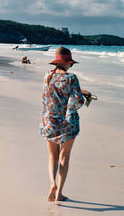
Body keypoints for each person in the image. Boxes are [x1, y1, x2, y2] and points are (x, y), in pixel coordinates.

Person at [40, 46, 91, 202]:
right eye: (71, 63)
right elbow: (76, 101)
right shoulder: (72, 78)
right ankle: (59, 194)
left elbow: (51, 95)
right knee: (64, 157)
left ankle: (52, 184)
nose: (71, 66)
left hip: (49, 120)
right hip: (67, 122)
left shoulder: (47, 76)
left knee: (52, 156)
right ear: (68, 62)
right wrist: (84, 98)